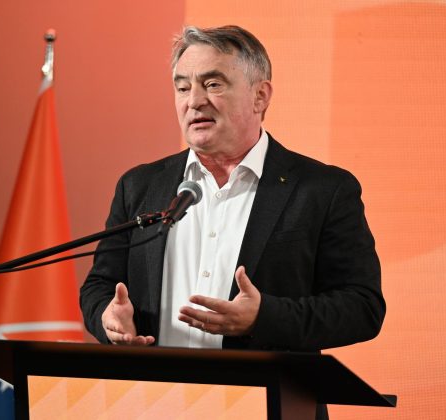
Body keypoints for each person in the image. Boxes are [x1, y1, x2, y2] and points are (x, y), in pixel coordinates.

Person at [80, 25, 384, 354]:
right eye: (182, 88)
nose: (194, 101)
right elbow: (100, 285)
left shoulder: (322, 190)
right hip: (156, 386)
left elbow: (361, 307)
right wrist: (108, 319)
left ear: (260, 96)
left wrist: (263, 318)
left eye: (213, 84)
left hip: (261, 387)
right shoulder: (139, 186)